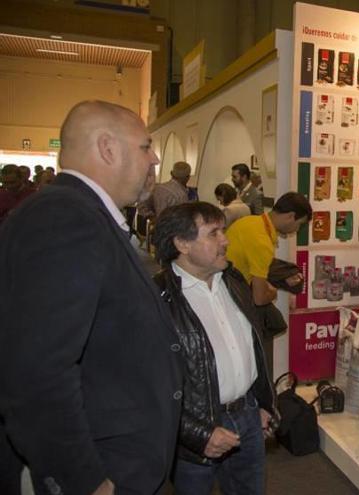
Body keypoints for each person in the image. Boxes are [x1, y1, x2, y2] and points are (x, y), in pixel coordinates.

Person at [0, 100, 183, 494]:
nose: (153, 158)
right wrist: (83, 480)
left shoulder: (82, 215)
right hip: (102, 470)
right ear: (107, 148)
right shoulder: (64, 219)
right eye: (145, 146)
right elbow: (38, 372)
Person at [151, 202, 276, 494]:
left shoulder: (233, 282)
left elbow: (250, 349)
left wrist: (261, 404)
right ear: (182, 243)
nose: (226, 240)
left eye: (223, 230)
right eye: (213, 233)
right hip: (196, 433)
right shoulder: (156, 298)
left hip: (248, 416)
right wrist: (196, 434)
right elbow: (147, 386)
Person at [225, 192, 312, 371]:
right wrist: (272, 292)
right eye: (300, 224)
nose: (297, 229)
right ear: (290, 217)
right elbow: (259, 298)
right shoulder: (262, 242)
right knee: (272, 324)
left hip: (227, 289)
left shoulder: (249, 222)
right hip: (232, 301)